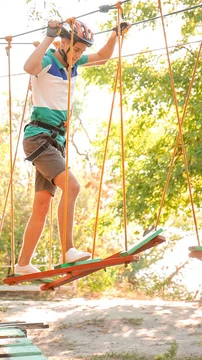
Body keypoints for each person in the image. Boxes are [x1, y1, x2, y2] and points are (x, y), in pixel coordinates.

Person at [15, 18, 129, 275]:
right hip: (39, 138)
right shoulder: (48, 61)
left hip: (55, 141)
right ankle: (68, 249)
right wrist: (49, 36)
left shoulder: (73, 65)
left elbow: (102, 57)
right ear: (64, 43)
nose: (78, 55)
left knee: (42, 205)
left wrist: (114, 35)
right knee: (73, 186)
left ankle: (22, 265)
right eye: (76, 49)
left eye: (81, 51)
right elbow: (28, 66)